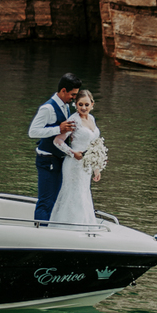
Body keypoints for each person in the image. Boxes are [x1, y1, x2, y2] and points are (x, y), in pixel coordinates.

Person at [28, 73, 81, 221]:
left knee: (56, 199)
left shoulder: (65, 105)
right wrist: (58, 129)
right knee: (46, 201)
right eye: (73, 94)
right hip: (47, 160)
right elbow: (32, 132)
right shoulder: (48, 108)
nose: (74, 98)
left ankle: (49, 229)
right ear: (63, 90)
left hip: (58, 159)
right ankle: (40, 232)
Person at [49, 89, 102, 227]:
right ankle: (69, 227)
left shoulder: (92, 119)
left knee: (84, 193)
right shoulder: (73, 120)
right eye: (80, 104)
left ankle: (85, 225)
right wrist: (73, 153)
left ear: (92, 104)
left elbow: (94, 145)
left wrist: (97, 168)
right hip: (74, 164)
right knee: (74, 194)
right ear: (76, 105)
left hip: (87, 165)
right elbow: (58, 141)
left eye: (86, 104)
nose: (83, 108)